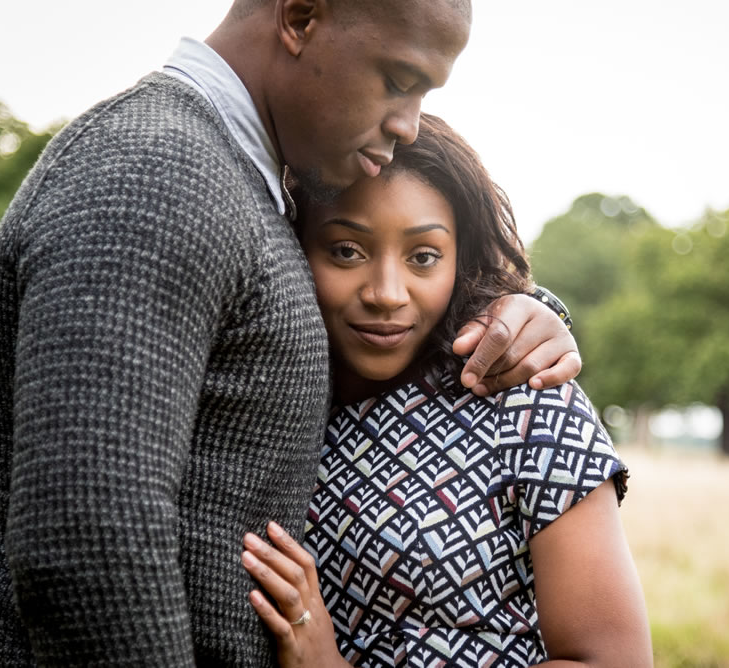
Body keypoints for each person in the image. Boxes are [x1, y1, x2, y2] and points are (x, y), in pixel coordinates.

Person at [0, 1, 581, 665]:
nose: (408, 123)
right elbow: (86, 545)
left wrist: (526, 312)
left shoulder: (240, 184)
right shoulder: (157, 172)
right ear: (301, 17)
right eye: (399, 80)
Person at [240, 114, 653, 667]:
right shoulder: (264, 403)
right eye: (345, 250)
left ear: (462, 258)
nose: (387, 293)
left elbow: (612, 662)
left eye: (424, 256)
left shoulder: (526, 399)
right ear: (294, 248)